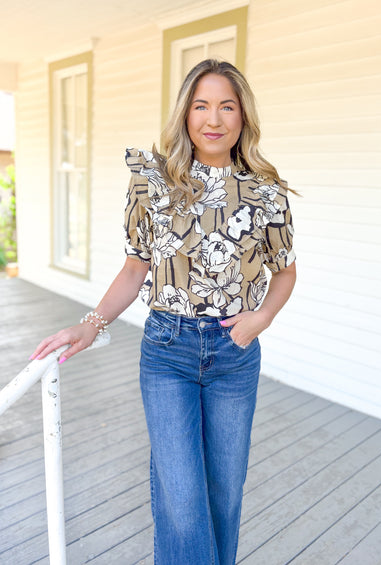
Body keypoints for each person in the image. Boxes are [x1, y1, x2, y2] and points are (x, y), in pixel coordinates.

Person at [31, 59, 296, 565]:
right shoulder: (154, 182)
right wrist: (89, 325)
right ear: (185, 114)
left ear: (243, 117)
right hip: (168, 352)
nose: (212, 118)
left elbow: (285, 271)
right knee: (181, 497)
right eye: (201, 105)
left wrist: (261, 317)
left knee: (224, 492)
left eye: (226, 105)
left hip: (235, 356)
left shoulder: (267, 191)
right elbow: (135, 269)